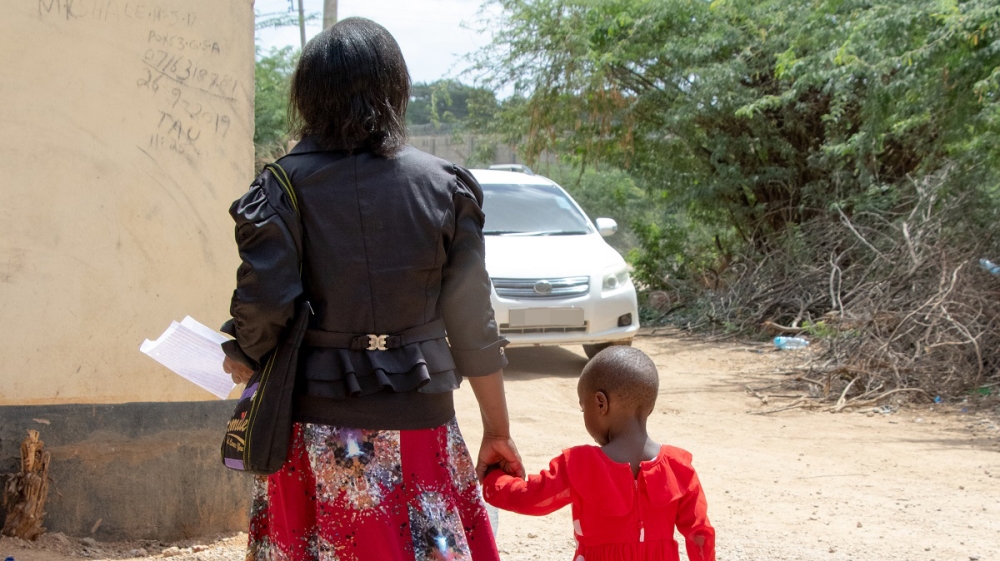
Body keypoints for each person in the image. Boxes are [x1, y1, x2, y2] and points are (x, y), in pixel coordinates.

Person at [220, 17, 524, 561]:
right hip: (421, 418)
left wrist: (241, 353)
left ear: (308, 97)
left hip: (313, 424)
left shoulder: (280, 187)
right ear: (395, 90)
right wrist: (497, 430)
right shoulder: (444, 186)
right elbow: (472, 322)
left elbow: (264, 307)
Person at [482, 346, 716, 561]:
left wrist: (494, 479)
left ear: (600, 403)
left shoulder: (579, 464)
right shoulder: (679, 467)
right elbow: (700, 534)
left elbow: (531, 497)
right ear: (650, 406)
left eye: (584, 408)